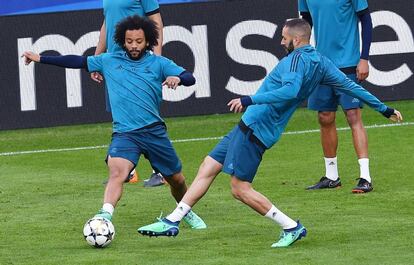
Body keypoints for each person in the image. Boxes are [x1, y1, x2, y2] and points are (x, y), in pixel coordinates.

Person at [137, 18, 402, 248]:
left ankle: (290, 226)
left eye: (284, 38)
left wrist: (250, 99)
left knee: (240, 189)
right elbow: (350, 85)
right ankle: (173, 221)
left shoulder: (295, 62)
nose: (280, 41)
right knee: (208, 166)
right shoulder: (321, 62)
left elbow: (290, 91)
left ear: (297, 40)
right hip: (249, 126)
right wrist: (383, 108)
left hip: (256, 129)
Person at [22, 15, 207, 230]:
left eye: (139, 41)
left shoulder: (159, 63)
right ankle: (105, 215)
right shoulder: (110, 60)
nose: (134, 45)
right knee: (117, 172)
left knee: (177, 180)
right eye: (129, 41)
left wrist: (178, 78)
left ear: (148, 41)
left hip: (154, 132)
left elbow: (190, 77)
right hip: (125, 133)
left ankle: (185, 211)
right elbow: (77, 61)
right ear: (122, 41)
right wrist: (40, 58)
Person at [298, 0, 375, 193]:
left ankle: (365, 177)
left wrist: (364, 58)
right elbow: (305, 25)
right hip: (321, 65)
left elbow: (366, 20)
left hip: (348, 63)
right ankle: (332, 176)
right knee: (325, 117)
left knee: (353, 115)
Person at [93, 0, 165, 186]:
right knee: (121, 115)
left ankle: (161, 170)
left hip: (137, 62)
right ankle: (128, 171)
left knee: (144, 115)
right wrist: (97, 57)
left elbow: (155, 20)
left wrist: (156, 62)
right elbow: (106, 25)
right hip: (116, 63)